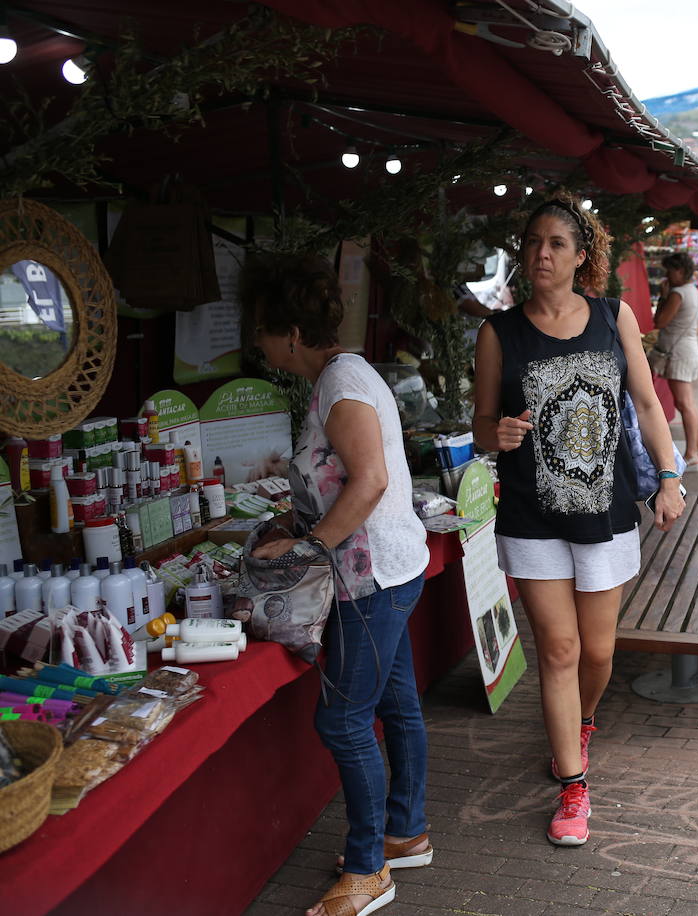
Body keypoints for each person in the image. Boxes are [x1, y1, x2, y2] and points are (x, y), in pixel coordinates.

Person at [473, 194, 686, 847]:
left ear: (581, 255)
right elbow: (480, 425)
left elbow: (648, 404)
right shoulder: (497, 333)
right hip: (532, 515)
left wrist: (671, 476)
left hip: (607, 510)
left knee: (598, 652)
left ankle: (583, 720)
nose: (541, 254)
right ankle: (572, 786)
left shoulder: (612, 316)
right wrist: (497, 432)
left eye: (556, 244)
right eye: (533, 242)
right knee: (559, 651)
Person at [241, 253, 432, 916]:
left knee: (343, 718)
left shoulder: (342, 383)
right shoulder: (338, 377)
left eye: (261, 330)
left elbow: (370, 481)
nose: (257, 343)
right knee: (396, 705)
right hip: (387, 570)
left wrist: (310, 544)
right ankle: (403, 832)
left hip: (369, 577)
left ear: (289, 332)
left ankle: (368, 867)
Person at [655, 251, 698, 471]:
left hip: (678, 353)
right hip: (689, 349)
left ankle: (691, 455)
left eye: (669, 269)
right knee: (687, 403)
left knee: (685, 404)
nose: (667, 274)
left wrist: (662, 297)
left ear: (679, 270)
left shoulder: (677, 294)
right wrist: (691, 335)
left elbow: (659, 321)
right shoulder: (694, 291)